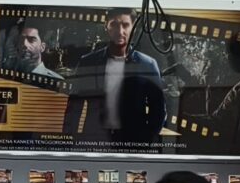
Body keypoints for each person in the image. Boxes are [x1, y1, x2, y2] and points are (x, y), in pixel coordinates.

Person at [65, 9, 166, 143]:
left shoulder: (148, 64)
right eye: (114, 24)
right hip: (93, 140)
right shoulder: (88, 62)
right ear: (106, 26)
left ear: (133, 27)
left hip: (133, 142)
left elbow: (158, 110)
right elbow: (74, 106)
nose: (120, 31)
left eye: (125, 25)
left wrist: (147, 141)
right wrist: (68, 140)